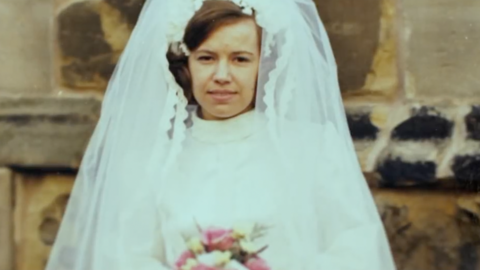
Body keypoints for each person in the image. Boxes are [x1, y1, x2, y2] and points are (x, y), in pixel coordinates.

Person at [46, 0, 397, 270]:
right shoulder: (151, 162)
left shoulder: (314, 148)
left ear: (264, 64)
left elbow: (357, 248)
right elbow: (125, 257)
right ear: (186, 66)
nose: (222, 75)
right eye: (207, 58)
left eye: (241, 59)